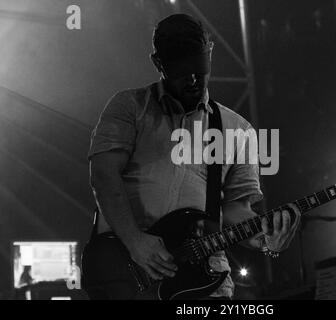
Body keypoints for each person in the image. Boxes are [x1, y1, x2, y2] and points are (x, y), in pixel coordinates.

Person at [87, 13, 300, 299]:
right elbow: (104, 175)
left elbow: (235, 209)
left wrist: (266, 239)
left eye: (199, 69)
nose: (192, 80)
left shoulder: (238, 129)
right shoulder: (129, 107)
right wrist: (135, 241)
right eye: (180, 71)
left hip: (204, 277)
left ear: (209, 53)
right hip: (128, 267)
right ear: (158, 63)